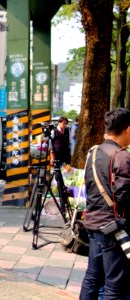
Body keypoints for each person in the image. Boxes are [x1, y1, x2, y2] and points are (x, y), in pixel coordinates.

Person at [80, 108, 130, 299]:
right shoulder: (122, 156)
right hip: (113, 229)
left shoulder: (93, 152)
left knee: (92, 277)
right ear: (127, 129)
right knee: (114, 285)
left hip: (93, 224)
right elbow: (124, 196)